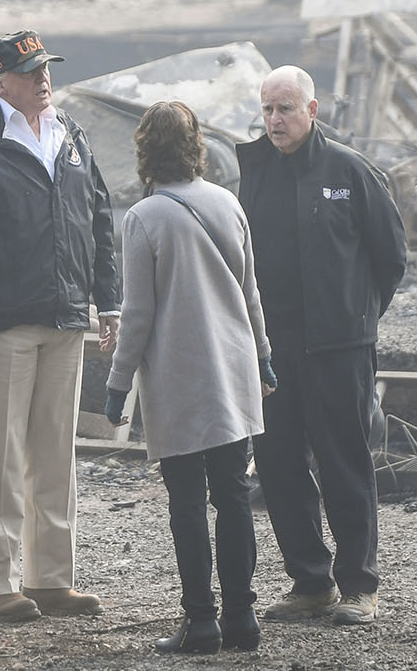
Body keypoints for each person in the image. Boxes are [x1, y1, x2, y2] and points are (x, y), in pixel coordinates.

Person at [0, 29, 121, 625]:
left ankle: (51, 578)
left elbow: (100, 219)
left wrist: (106, 301)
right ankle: (0, 584)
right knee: (0, 456)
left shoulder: (71, 136)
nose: (43, 78)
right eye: (30, 70)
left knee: (54, 453)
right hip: (1, 324)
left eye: (46, 67)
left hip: (63, 317)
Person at [104, 101, 276, 655]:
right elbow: (251, 294)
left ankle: (200, 623)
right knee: (232, 493)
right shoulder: (229, 203)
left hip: (180, 377)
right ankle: (243, 619)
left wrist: (117, 381)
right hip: (234, 369)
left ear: (144, 150)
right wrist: (265, 358)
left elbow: (138, 314)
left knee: (186, 502)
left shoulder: (144, 217)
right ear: (197, 144)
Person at [238, 65, 407, 627]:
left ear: (313, 111)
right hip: (273, 350)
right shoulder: (254, 171)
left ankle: (359, 585)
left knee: (345, 465)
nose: (274, 120)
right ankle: (310, 582)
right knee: (279, 465)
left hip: (340, 350)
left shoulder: (350, 172)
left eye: (285, 108)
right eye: (267, 110)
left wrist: (355, 318)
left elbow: (390, 259)